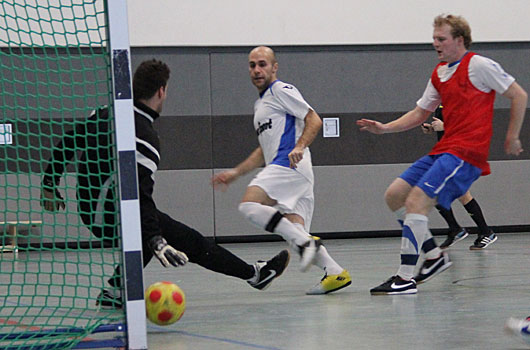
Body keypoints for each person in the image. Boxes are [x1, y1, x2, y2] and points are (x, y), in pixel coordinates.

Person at [41, 59, 290, 308]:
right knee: (182, 238)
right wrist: (156, 240)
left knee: (161, 230)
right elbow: (139, 196)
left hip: (93, 208)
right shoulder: (145, 138)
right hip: (111, 213)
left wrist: (50, 183)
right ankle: (254, 275)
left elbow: (70, 140)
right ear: (161, 91)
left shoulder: (107, 112)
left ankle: (116, 292)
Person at [357, 14, 527, 295]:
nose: (435, 43)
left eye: (441, 38)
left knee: (416, 201)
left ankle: (405, 277)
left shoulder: (479, 65)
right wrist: (384, 128)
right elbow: (420, 113)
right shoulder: (439, 73)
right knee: (395, 195)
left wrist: (512, 135)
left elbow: (518, 95)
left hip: (466, 152)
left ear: (459, 40)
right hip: (444, 149)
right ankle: (434, 257)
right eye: (434, 38)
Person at [211, 46, 351, 295]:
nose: (257, 70)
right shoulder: (261, 105)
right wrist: (235, 173)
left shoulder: (281, 90)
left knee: (249, 206)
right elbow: (263, 150)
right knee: (293, 231)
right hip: (293, 171)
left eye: (262, 64)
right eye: (252, 65)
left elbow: (314, 119)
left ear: (274, 67)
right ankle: (335, 272)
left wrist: (299, 145)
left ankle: (306, 243)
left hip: (289, 166)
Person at [421, 105, 496, 250]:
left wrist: (445, 126)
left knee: (435, 190)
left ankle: (479, 231)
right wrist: (432, 128)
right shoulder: (442, 103)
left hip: (459, 153)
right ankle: (471, 230)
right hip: (446, 152)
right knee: (459, 194)